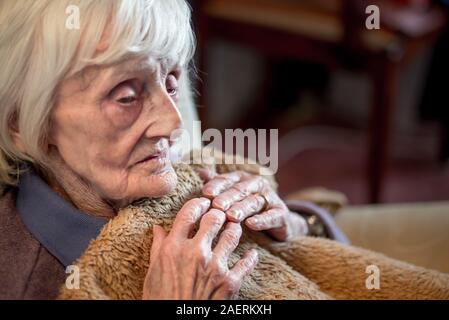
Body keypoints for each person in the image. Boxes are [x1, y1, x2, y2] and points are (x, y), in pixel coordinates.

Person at [0, 0, 344, 299]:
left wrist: (300, 228)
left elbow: (355, 272)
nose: (173, 124)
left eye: (172, 82)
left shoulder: (190, 177)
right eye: (126, 97)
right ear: (23, 124)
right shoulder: (23, 281)